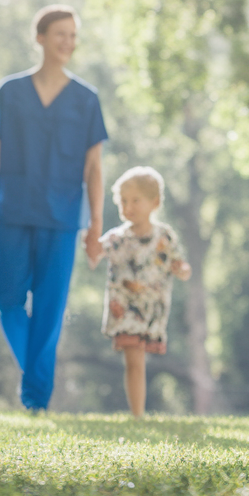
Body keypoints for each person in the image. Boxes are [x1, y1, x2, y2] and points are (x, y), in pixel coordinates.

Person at [0, 6, 108, 411]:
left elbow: (94, 167)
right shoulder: (11, 92)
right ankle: (36, 376)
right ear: (40, 37)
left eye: (74, 35)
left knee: (49, 309)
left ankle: (35, 399)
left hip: (62, 218)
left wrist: (96, 224)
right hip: (11, 212)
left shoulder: (86, 100)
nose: (68, 42)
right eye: (61, 34)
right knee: (5, 300)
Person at [93, 166, 192, 418]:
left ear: (154, 202)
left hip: (152, 308)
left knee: (140, 360)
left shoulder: (164, 236)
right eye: (123, 202)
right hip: (125, 308)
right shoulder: (117, 238)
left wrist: (181, 269)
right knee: (134, 360)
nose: (128, 207)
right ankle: (138, 414)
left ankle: (140, 412)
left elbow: (178, 264)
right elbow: (94, 252)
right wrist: (89, 239)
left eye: (136, 200)